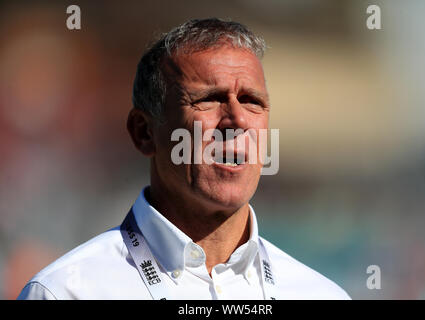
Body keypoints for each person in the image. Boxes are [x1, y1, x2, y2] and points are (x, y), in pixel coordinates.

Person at [17, 18, 350, 300]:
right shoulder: (66, 292)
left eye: (251, 101)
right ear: (144, 132)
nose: (236, 120)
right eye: (208, 99)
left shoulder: (321, 295)